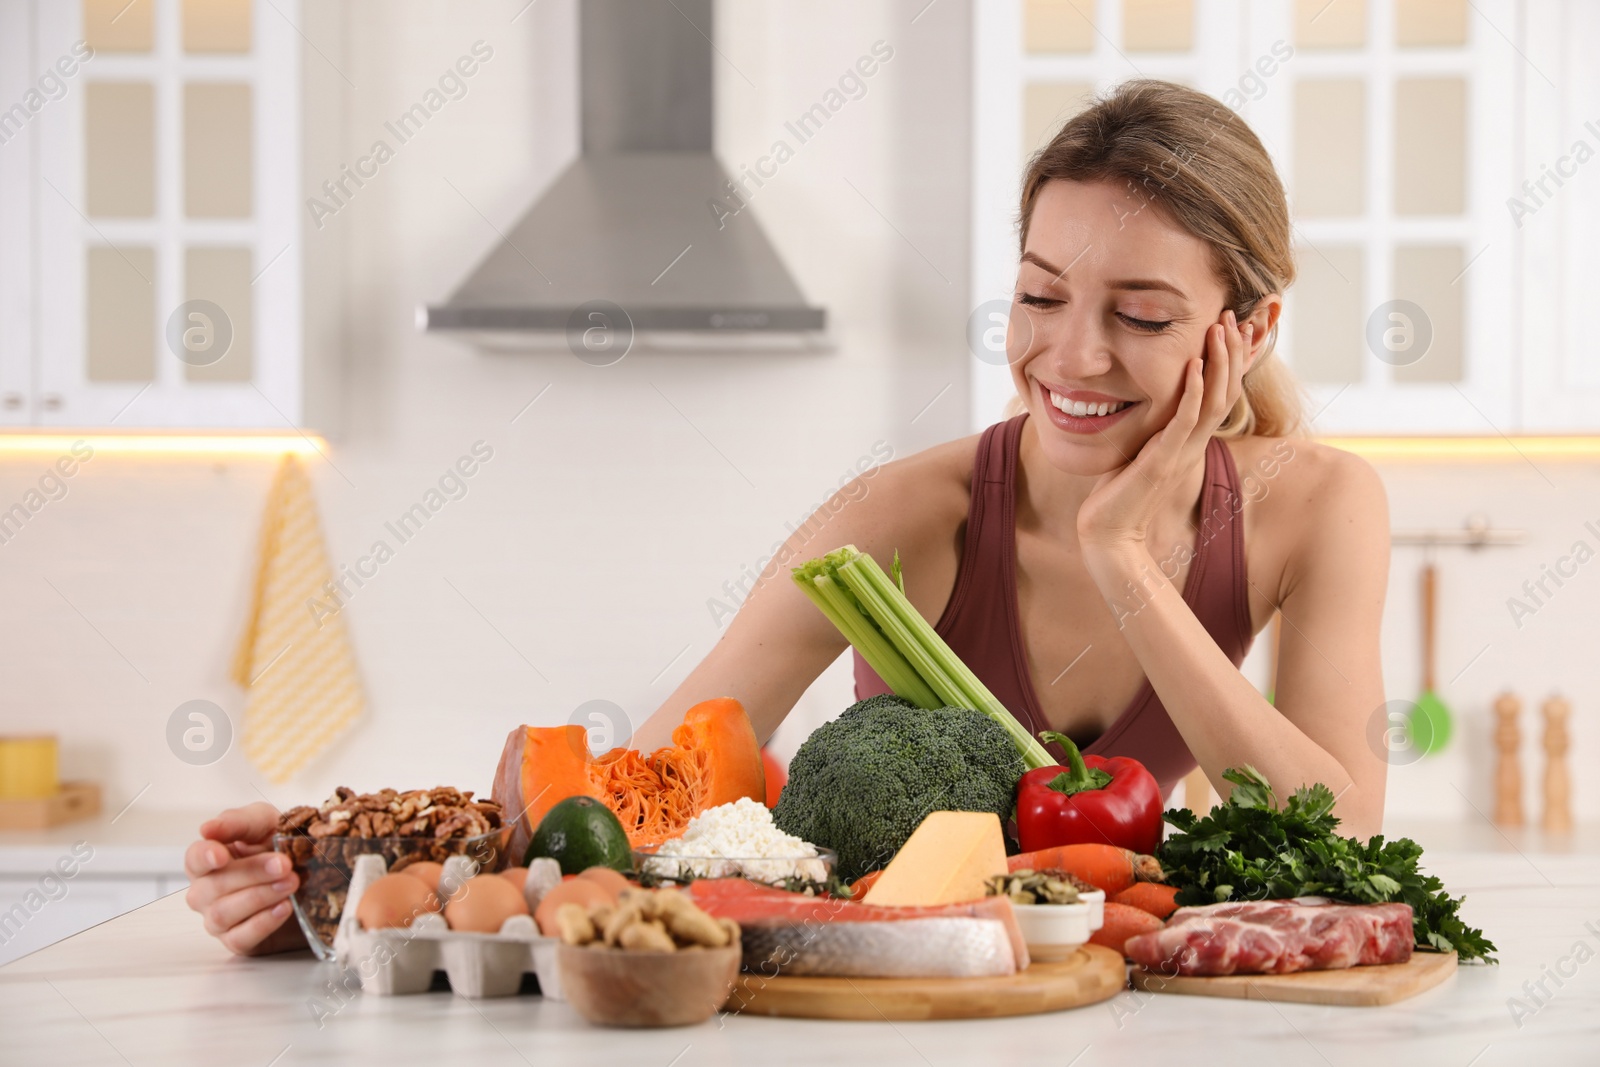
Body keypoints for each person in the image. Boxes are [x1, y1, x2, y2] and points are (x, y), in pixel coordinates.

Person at [186, 79, 1389, 955]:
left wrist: (1124, 558)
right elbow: (629, 796)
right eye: (1039, 293)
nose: (1071, 351)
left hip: (1103, 1004)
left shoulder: (1320, 505)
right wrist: (348, 881)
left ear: (1250, 330)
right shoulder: (898, 513)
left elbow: (1346, 839)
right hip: (874, 1007)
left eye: (1141, 314)